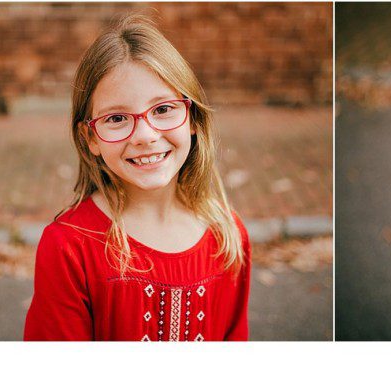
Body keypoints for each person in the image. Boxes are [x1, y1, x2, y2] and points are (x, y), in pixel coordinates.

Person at [24, 14, 250, 341]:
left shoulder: (228, 235)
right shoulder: (69, 248)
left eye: (163, 110)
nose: (145, 135)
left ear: (193, 119)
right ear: (91, 138)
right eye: (117, 118)